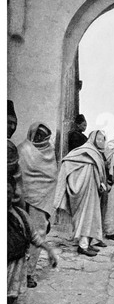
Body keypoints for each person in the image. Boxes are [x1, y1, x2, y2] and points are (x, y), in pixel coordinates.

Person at [7, 176, 58, 304]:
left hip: (15, 271)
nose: (5, 195)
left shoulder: (20, 215)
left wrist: (49, 249)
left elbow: (34, 236)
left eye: (8, 191)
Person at [54, 130, 108, 256]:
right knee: (85, 217)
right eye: (98, 139)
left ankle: (87, 243)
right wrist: (75, 183)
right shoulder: (84, 151)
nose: (101, 142)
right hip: (83, 192)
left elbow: (98, 173)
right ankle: (82, 246)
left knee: (92, 217)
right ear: (93, 139)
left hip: (93, 191)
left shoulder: (97, 153)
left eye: (103, 139)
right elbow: (67, 162)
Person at [17, 122, 58, 288]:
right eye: (37, 134)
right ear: (31, 133)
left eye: (43, 135)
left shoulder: (50, 152)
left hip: (40, 202)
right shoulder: (22, 149)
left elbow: (51, 177)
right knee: (18, 235)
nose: (40, 137)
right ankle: (15, 272)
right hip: (19, 199)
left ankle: (29, 273)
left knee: (38, 235)